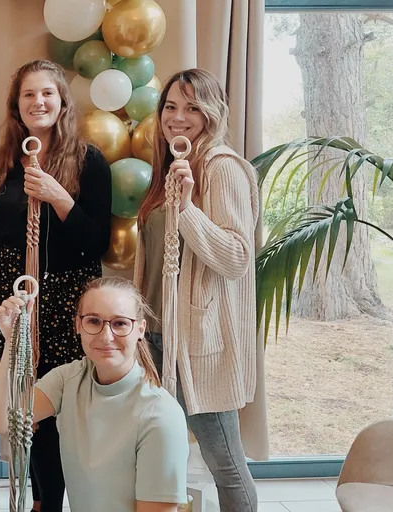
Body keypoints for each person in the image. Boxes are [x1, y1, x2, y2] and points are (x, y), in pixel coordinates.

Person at [0, 59, 112, 511]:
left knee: (54, 411)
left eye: (47, 94)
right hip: (13, 302)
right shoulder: (3, 164)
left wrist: (58, 196)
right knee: (23, 410)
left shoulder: (88, 161)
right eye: (29, 95)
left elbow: (96, 242)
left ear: (62, 102)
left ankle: (57, 502)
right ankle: (39, 501)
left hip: (62, 301)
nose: (38, 102)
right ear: (17, 106)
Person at [135, 68, 261, 511]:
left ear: (212, 112)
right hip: (151, 337)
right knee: (160, 455)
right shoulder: (170, 166)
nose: (178, 117)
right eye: (170, 106)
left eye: (191, 107)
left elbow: (236, 257)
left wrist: (186, 209)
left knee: (224, 461)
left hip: (195, 341)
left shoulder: (223, 168)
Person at [0, 276, 189, 512]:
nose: (106, 336)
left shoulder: (161, 415)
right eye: (94, 321)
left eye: (120, 323)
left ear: (140, 329)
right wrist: (12, 341)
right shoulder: (69, 380)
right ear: (78, 325)